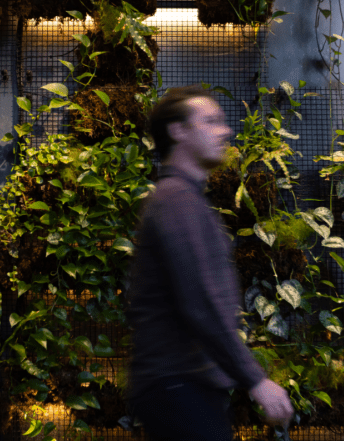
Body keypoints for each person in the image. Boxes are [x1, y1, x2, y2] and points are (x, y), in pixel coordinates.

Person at [126, 86, 294, 441]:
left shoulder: (183, 199)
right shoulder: (176, 201)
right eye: (211, 121)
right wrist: (256, 379)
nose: (225, 130)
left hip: (183, 386)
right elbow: (200, 302)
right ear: (178, 131)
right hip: (178, 386)